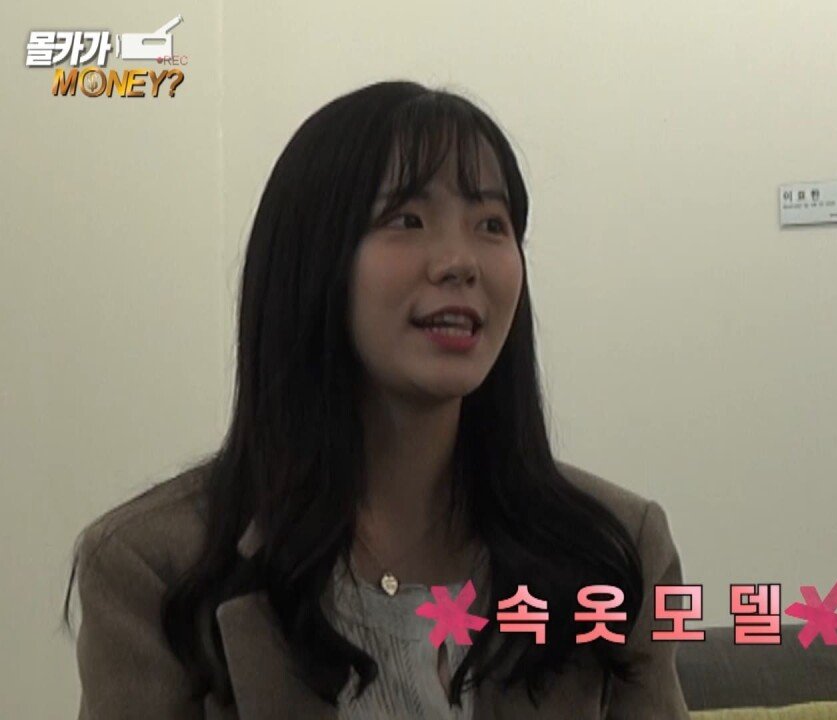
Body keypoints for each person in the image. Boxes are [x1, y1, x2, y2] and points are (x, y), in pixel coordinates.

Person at [63, 80, 690, 719]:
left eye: (491, 225)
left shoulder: (617, 551)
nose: (460, 261)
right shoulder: (154, 566)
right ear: (313, 259)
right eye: (406, 220)